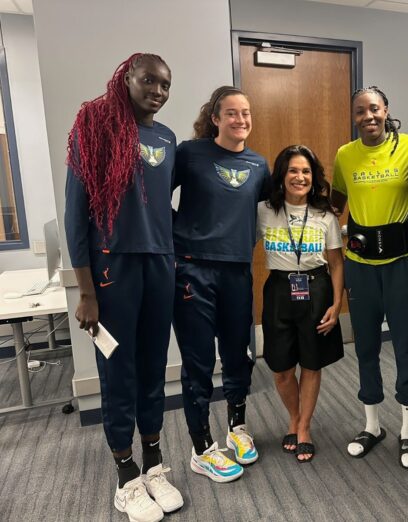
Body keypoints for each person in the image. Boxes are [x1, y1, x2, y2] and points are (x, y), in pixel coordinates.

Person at [65, 53, 183, 522]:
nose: (157, 90)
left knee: (155, 365)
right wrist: (87, 292)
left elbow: (160, 205)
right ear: (125, 78)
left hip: (160, 265)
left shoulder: (167, 137)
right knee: (119, 373)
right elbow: (76, 216)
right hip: (112, 271)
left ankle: (154, 461)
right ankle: (125, 474)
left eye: (165, 84)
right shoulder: (93, 127)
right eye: (148, 80)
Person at [172, 86, 270, 482]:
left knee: (237, 355)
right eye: (231, 113)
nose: (241, 120)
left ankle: (238, 427)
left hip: (237, 271)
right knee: (197, 362)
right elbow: (154, 196)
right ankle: (202, 448)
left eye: (245, 113)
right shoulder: (190, 153)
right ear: (215, 118)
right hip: (193, 271)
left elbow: (274, 208)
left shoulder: (259, 164)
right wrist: (175, 236)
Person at [332, 86, 408, 468]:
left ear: (386, 110)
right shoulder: (345, 155)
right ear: (353, 117)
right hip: (361, 266)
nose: (368, 116)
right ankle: (372, 426)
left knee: (405, 346)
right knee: (366, 346)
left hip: (402, 263)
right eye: (360, 111)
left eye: (374, 108)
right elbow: (335, 204)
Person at [257, 144, 344, 463]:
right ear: (281, 175)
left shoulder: (324, 214)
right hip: (279, 290)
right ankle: (294, 416)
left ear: (314, 176)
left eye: (306, 171)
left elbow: (336, 263)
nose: (300, 176)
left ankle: (302, 426)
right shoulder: (264, 210)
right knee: (280, 368)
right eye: (293, 170)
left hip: (316, 288)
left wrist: (337, 304)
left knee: (311, 362)